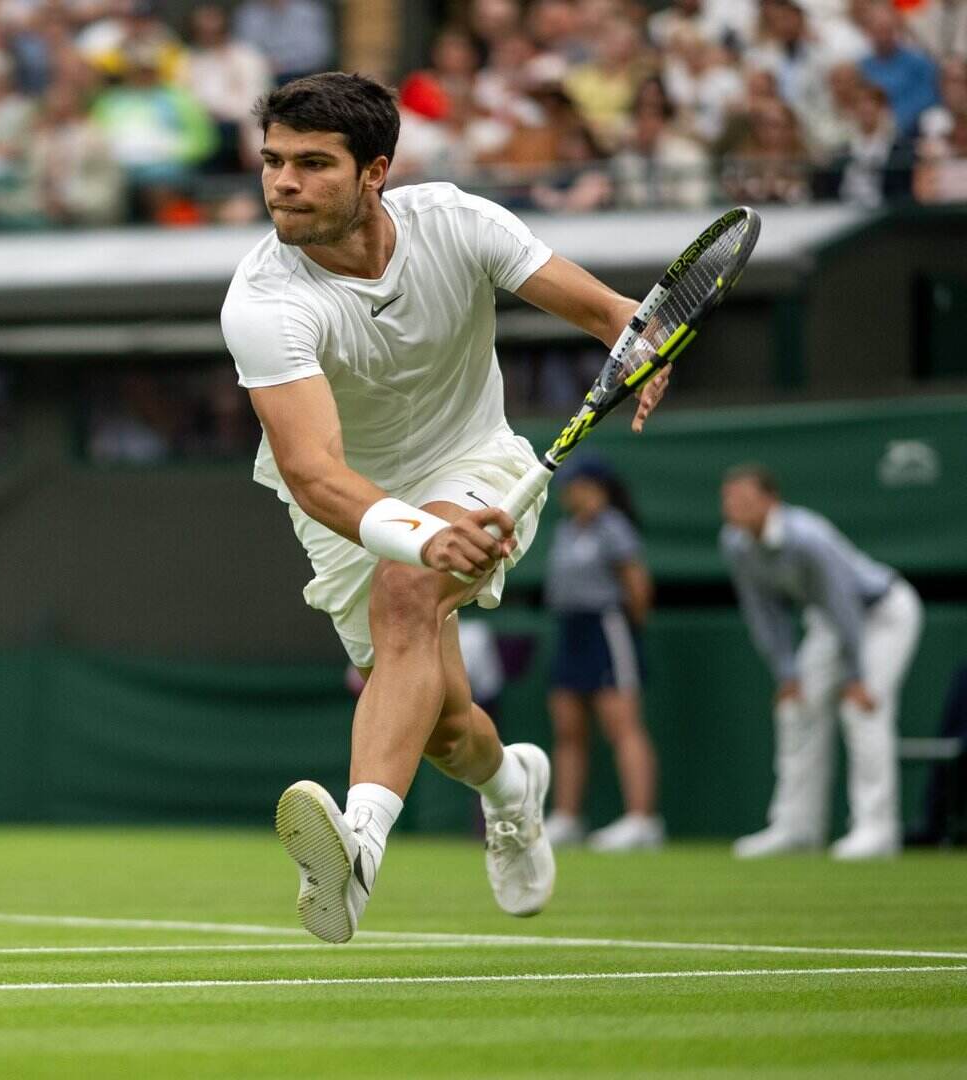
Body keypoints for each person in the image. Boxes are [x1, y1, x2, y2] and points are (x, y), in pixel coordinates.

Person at [223, 73, 669, 943]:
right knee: (446, 729)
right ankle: (513, 789)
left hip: (474, 459)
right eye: (273, 162)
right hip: (345, 497)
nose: (282, 183)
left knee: (405, 596)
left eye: (313, 164)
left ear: (374, 172)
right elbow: (314, 474)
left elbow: (612, 313)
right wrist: (426, 534)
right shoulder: (264, 301)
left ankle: (357, 853)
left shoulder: (460, 222)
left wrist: (641, 340)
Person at [721, 464, 925, 860]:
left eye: (744, 499)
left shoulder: (807, 538)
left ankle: (877, 829)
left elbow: (843, 600)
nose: (734, 506)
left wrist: (856, 674)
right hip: (831, 622)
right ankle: (797, 827)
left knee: (861, 709)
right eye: (728, 499)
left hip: (881, 613)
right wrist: (786, 672)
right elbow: (763, 613)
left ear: (771, 501)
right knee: (795, 709)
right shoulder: (735, 543)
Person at [541, 457, 663, 851]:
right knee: (568, 728)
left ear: (594, 486)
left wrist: (624, 629)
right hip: (570, 629)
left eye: (574, 484)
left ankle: (643, 821)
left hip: (606, 629)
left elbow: (637, 587)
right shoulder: (564, 530)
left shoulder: (613, 527)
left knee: (622, 726)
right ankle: (567, 817)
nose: (566, 492)